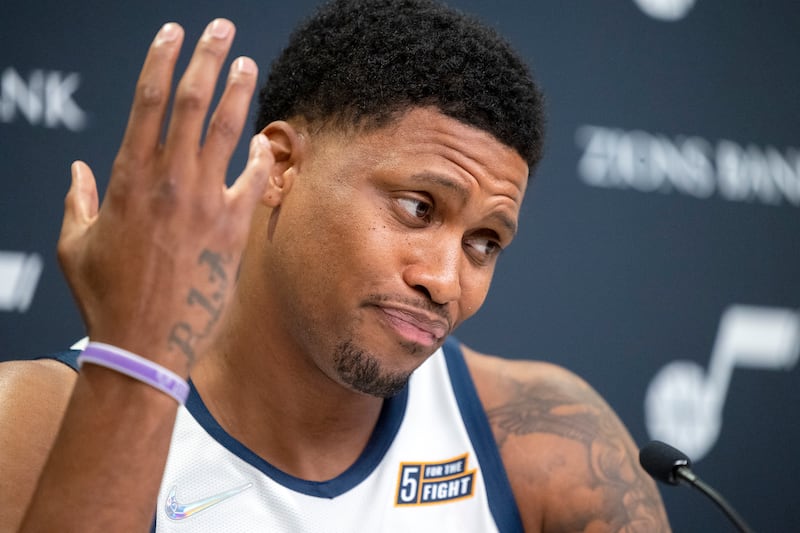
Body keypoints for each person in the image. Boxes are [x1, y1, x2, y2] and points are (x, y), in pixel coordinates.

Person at [0, 0, 671, 531]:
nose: (443, 280)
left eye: (484, 241)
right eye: (417, 207)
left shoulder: (547, 437)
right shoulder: (30, 422)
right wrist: (136, 359)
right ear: (282, 166)